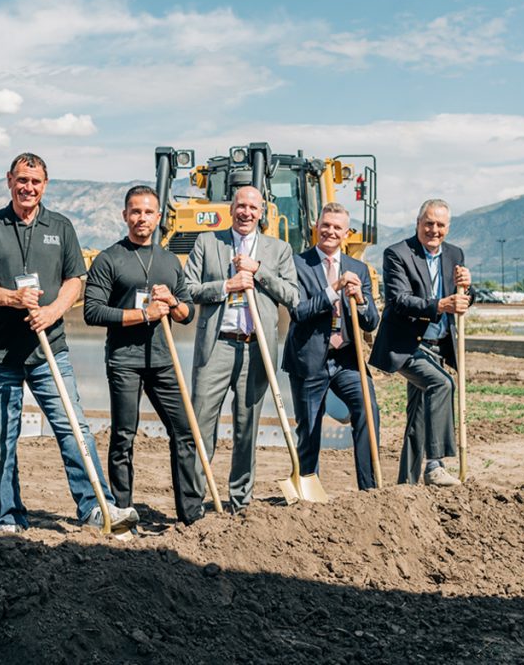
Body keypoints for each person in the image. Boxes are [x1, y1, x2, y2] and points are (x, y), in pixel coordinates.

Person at [0, 152, 138, 532]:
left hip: (49, 352)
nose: (28, 187)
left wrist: (53, 311)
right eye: (22, 180)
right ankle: (9, 516)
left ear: (46, 185)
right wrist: (12, 298)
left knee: (74, 429)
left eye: (36, 181)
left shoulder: (60, 227)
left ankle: (96, 508)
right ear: (9, 179)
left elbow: (76, 279)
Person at [83, 185, 202, 525]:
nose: (141, 218)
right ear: (125, 215)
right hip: (124, 361)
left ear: (159, 218)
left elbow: (187, 313)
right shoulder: (110, 259)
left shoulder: (168, 261)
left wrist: (174, 303)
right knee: (123, 435)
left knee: (184, 431)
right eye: (135, 211)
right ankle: (121, 509)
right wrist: (145, 314)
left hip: (163, 361)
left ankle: (190, 512)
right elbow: (93, 312)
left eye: (148, 212)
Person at [183, 186, 299, 511]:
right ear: (231, 209)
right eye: (241, 206)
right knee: (202, 425)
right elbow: (187, 287)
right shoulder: (207, 242)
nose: (246, 212)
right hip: (216, 346)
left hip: (256, 348)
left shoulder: (278, 250)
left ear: (262, 212)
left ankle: (240, 502)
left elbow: (292, 295)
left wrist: (258, 271)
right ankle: (193, 503)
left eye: (253, 207)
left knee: (247, 428)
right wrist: (226, 286)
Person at [369, 198, 473, 487]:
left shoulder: (455, 254)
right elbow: (399, 300)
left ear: (448, 228)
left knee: (417, 419)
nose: (434, 230)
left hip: (439, 345)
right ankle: (435, 464)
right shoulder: (397, 254)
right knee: (442, 384)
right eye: (428, 223)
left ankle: (406, 485)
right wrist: (439, 305)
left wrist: (468, 288)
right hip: (407, 346)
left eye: (440, 225)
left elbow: (463, 299)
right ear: (418, 223)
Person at [282, 202, 381, 490]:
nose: (330, 231)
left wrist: (360, 299)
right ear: (316, 226)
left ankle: (370, 489)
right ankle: (307, 490)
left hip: (347, 359)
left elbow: (371, 321)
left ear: (347, 233)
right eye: (326, 225)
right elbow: (299, 311)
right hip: (309, 358)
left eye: (337, 227)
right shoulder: (297, 264)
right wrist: (333, 290)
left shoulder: (359, 269)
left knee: (367, 409)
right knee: (309, 428)